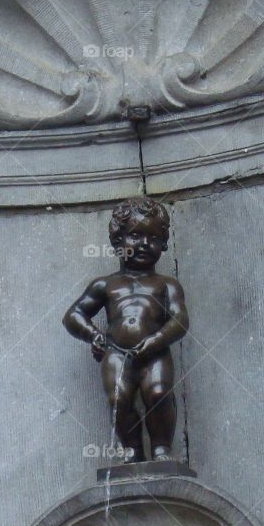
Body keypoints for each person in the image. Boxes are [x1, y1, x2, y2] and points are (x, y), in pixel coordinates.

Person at [63, 198, 189, 462]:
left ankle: (161, 448)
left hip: (154, 352)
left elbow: (179, 321)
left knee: (158, 392)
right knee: (119, 398)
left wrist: (156, 341)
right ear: (117, 240)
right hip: (117, 353)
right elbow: (73, 315)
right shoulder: (106, 285)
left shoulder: (166, 285)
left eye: (154, 237)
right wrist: (93, 335)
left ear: (164, 243)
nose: (144, 244)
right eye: (135, 235)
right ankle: (132, 449)